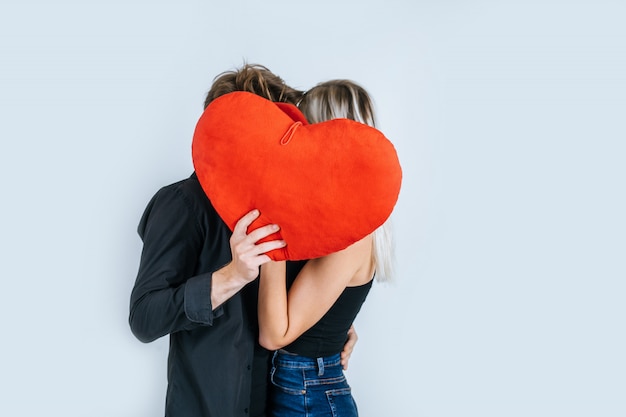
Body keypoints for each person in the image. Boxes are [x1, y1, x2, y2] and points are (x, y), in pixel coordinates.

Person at [129, 64, 357, 417]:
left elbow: (295, 291)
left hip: (281, 404)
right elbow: (144, 318)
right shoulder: (181, 204)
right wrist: (232, 276)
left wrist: (335, 328)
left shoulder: (281, 207)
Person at [258, 80, 395, 417]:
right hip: (301, 386)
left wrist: (270, 222)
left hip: (308, 393)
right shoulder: (335, 221)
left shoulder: (353, 234)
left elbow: (275, 335)